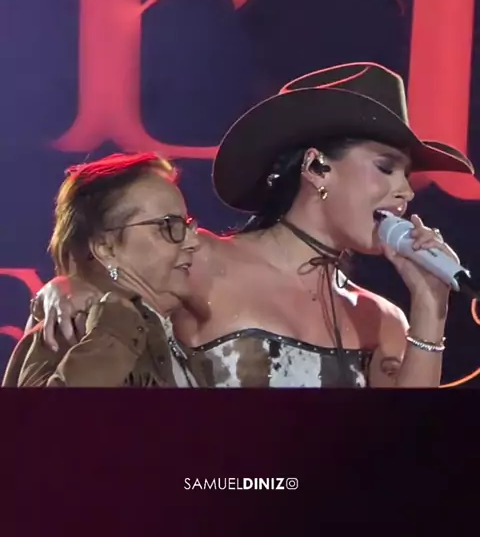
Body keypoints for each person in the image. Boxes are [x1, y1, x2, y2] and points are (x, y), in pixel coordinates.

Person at [25, 63, 474, 388]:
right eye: (386, 168)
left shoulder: (384, 319)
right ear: (317, 168)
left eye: (407, 176)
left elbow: (407, 449)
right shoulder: (198, 258)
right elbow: (106, 285)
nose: (405, 191)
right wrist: (65, 287)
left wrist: (430, 308)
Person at [3, 152, 211, 387]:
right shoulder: (70, 328)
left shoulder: (177, 334)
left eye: (186, 225)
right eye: (169, 225)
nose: (193, 241)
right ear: (106, 248)